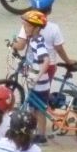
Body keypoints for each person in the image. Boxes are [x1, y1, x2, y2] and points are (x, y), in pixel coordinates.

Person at [12, 0, 77, 83]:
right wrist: (68, 61)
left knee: (33, 89)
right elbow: (59, 49)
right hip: (49, 66)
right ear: (50, 10)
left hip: (32, 64)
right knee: (42, 90)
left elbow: (20, 46)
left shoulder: (27, 26)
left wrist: (12, 44)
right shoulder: (54, 28)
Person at [16, 11, 52, 144]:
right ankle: (34, 131)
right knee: (33, 107)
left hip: (40, 84)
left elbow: (46, 60)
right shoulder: (32, 40)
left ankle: (41, 135)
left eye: (27, 26)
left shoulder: (38, 42)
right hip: (33, 81)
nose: (25, 29)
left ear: (36, 28)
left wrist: (38, 76)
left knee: (40, 109)